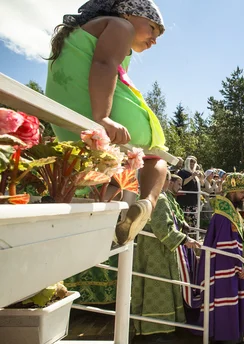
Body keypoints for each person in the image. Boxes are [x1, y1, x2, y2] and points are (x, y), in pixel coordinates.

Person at [46, 0, 169, 245]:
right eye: (153, 28)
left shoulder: (77, 35)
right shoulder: (120, 26)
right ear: (127, 13)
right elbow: (104, 64)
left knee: (114, 167)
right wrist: (102, 117)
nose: (154, 39)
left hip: (66, 125)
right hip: (99, 117)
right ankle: (147, 203)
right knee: (157, 157)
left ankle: (108, 210)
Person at [131, 172, 201, 335]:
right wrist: (185, 240)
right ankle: (159, 327)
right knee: (160, 286)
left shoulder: (144, 196)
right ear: (163, 181)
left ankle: (147, 324)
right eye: (168, 180)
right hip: (159, 251)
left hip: (147, 247)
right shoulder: (160, 199)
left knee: (149, 285)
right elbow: (163, 228)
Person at [185, 173, 244, 344]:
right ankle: (227, 336)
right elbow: (226, 248)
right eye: (241, 191)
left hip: (228, 265)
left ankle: (235, 330)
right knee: (226, 298)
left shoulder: (228, 212)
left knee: (231, 298)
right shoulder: (224, 216)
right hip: (225, 267)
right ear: (231, 192)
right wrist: (238, 268)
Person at [176, 156, 202, 228]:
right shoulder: (182, 172)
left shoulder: (194, 174)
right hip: (185, 201)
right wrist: (191, 177)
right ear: (187, 163)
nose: (192, 165)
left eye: (194, 163)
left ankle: (194, 236)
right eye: (191, 163)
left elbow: (200, 186)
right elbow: (182, 183)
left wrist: (200, 178)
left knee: (193, 221)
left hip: (194, 202)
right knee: (185, 221)